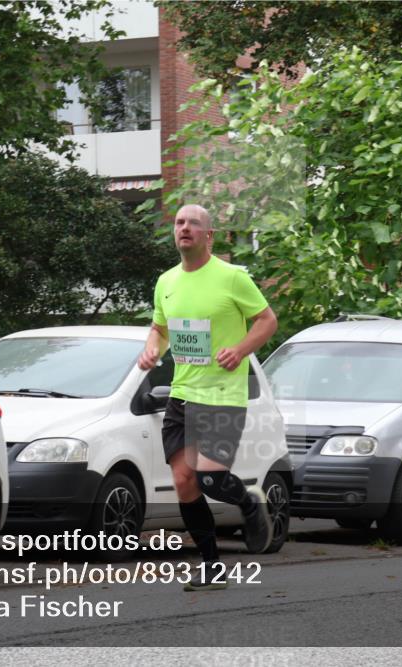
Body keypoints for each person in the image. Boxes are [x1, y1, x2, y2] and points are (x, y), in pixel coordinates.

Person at [138, 204, 278, 591]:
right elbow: (159, 327)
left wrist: (241, 349)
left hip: (221, 394)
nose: (184, 229)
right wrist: (152, 347)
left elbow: (268, 321)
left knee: (211, 480)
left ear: (209, 235)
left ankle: (249, 503)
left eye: (193, 224)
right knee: (184, 481)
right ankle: (212, 565)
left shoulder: (232, 278)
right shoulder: (166, 281)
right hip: (183, 393)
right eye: (179, 223)